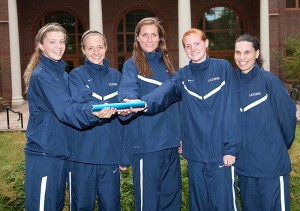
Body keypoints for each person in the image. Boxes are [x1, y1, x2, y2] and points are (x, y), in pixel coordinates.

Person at [137, 28, 242, 210]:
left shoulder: (223, 68)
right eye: (188, 46)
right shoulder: (183, 75)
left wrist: (230, 148)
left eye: (197, 44)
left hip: (221, 154)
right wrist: (141, 104)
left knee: (224, 205)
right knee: (199, 205)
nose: (193, 49)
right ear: (184, 49)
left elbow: (231, 110)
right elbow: (165, 91)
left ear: (206, 43)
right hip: (195, 156)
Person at [23, 23, 114, 211]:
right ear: (41, 45)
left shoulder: (62, 75)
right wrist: (93, 112)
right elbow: (66, 110)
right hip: (44, 154)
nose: (59, 46)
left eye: (62, 42)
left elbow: (76, 105)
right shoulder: (42, 75)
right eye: (52, 42)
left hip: (60, 154)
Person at [117, 17, 182, 211]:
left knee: (171, 201)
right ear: (137, 38)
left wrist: (180, 137)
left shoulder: (168, 66)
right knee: (148, 204)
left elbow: (176, 104)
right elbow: (128, 92)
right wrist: (128, 103)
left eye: (154, 34)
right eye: (144, 34)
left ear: (160, 38)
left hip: (170, 145)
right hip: (147, 146)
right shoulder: (132, 65)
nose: (149, 39)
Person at [234, 34, 296, 211]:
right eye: (238, 52)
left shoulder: (268, 81)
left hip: (271, 167)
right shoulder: (232, 84)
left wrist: (278, 146)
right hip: (245, 169)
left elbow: (288, 115)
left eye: (247, 52)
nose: (242, 57)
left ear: (256, 53)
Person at [67, 30, 122, 210]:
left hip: (110, 158)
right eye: (90, 48)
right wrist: (98, 111)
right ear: (83, 50)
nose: (96, 52)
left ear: (106, 48)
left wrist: (123, 154)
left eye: (99, 47)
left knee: (111, 206)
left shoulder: (116, 76)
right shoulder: (76, 76)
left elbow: (125, 116)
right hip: (82, 157)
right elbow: (82, 103)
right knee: (81, 206)